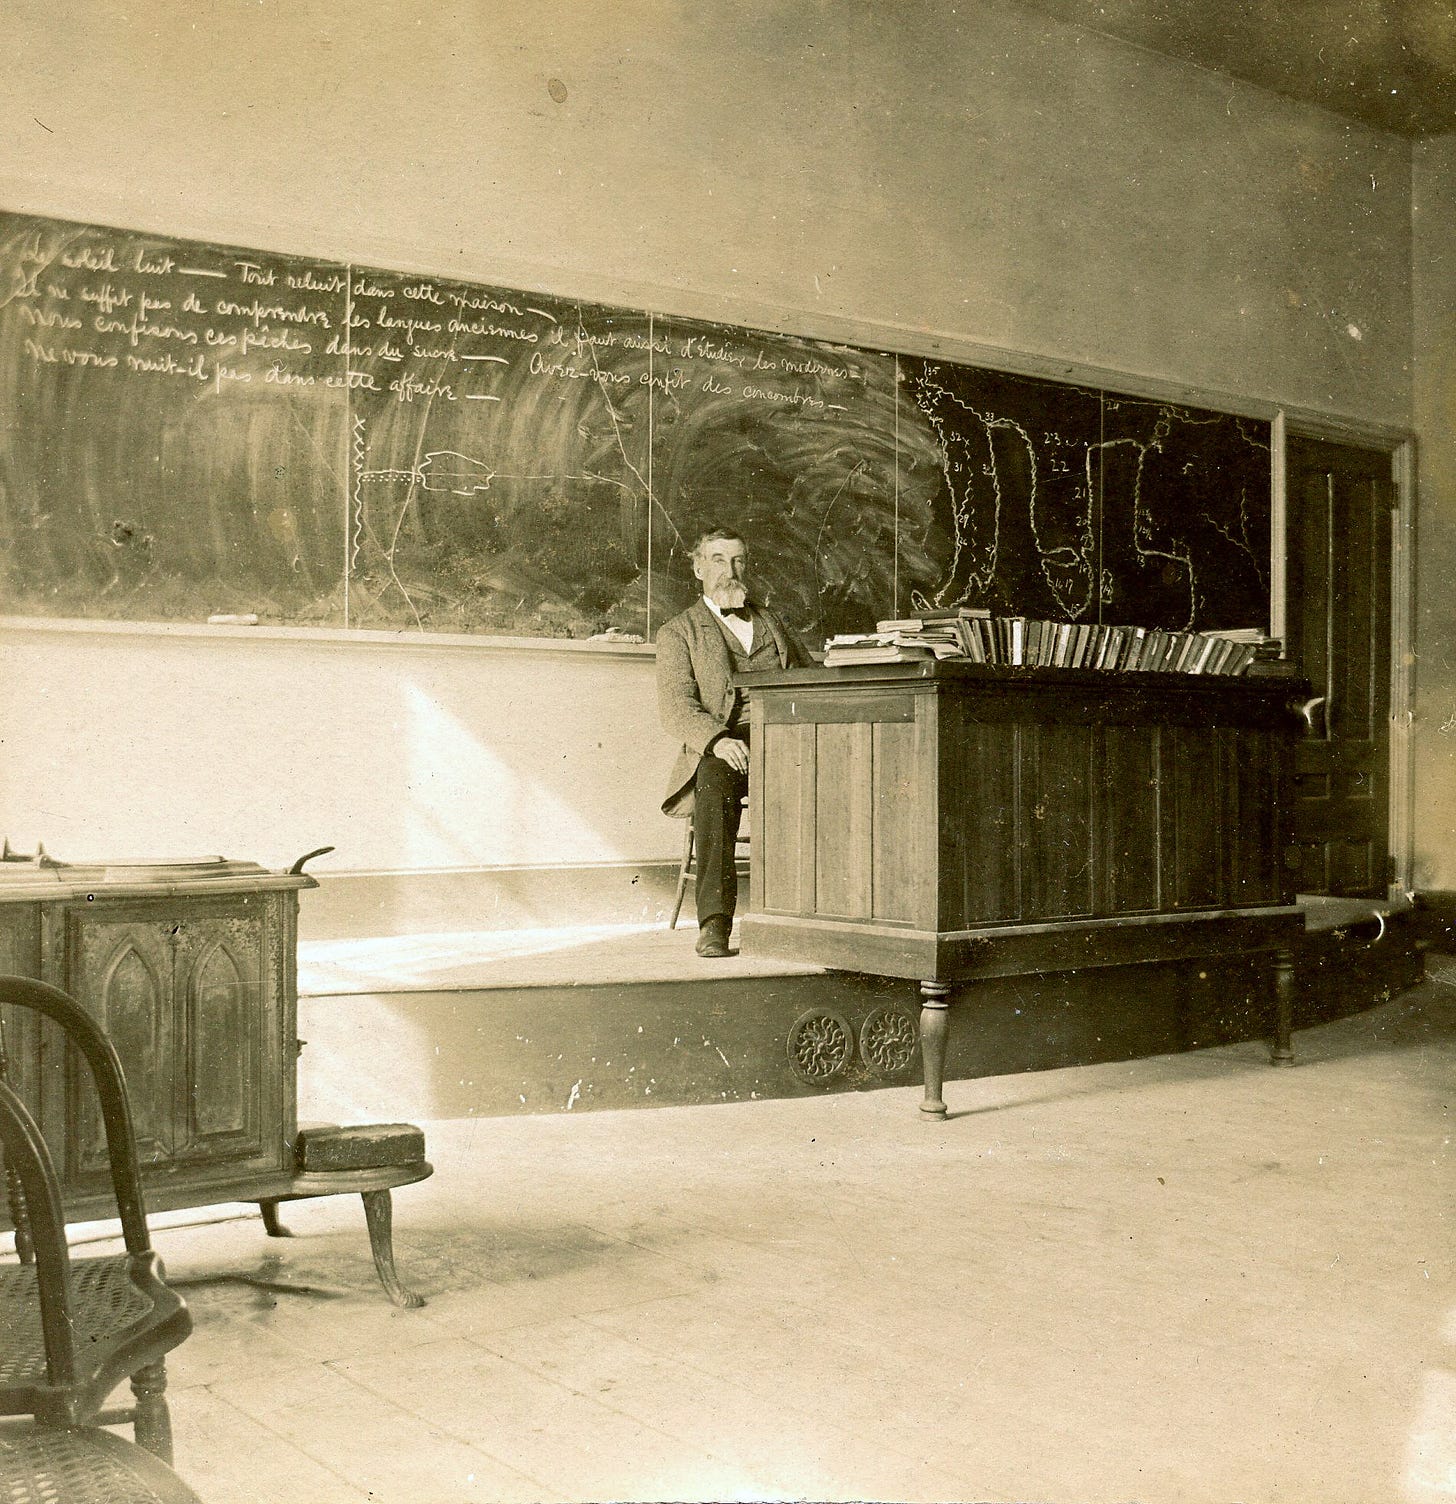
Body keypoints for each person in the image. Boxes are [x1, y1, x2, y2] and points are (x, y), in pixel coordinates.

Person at [656, 527, 813, 956]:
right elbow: (676, 707)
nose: (730, 570)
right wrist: (718, 740)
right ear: (698, 567)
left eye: (738, 560)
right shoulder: (678, 632)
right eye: (720, 559)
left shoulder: (772, 620)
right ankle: (714, 923)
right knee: (713, 783)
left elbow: (808, 676)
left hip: (786, 737)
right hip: (726, 741)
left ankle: (815, 916)